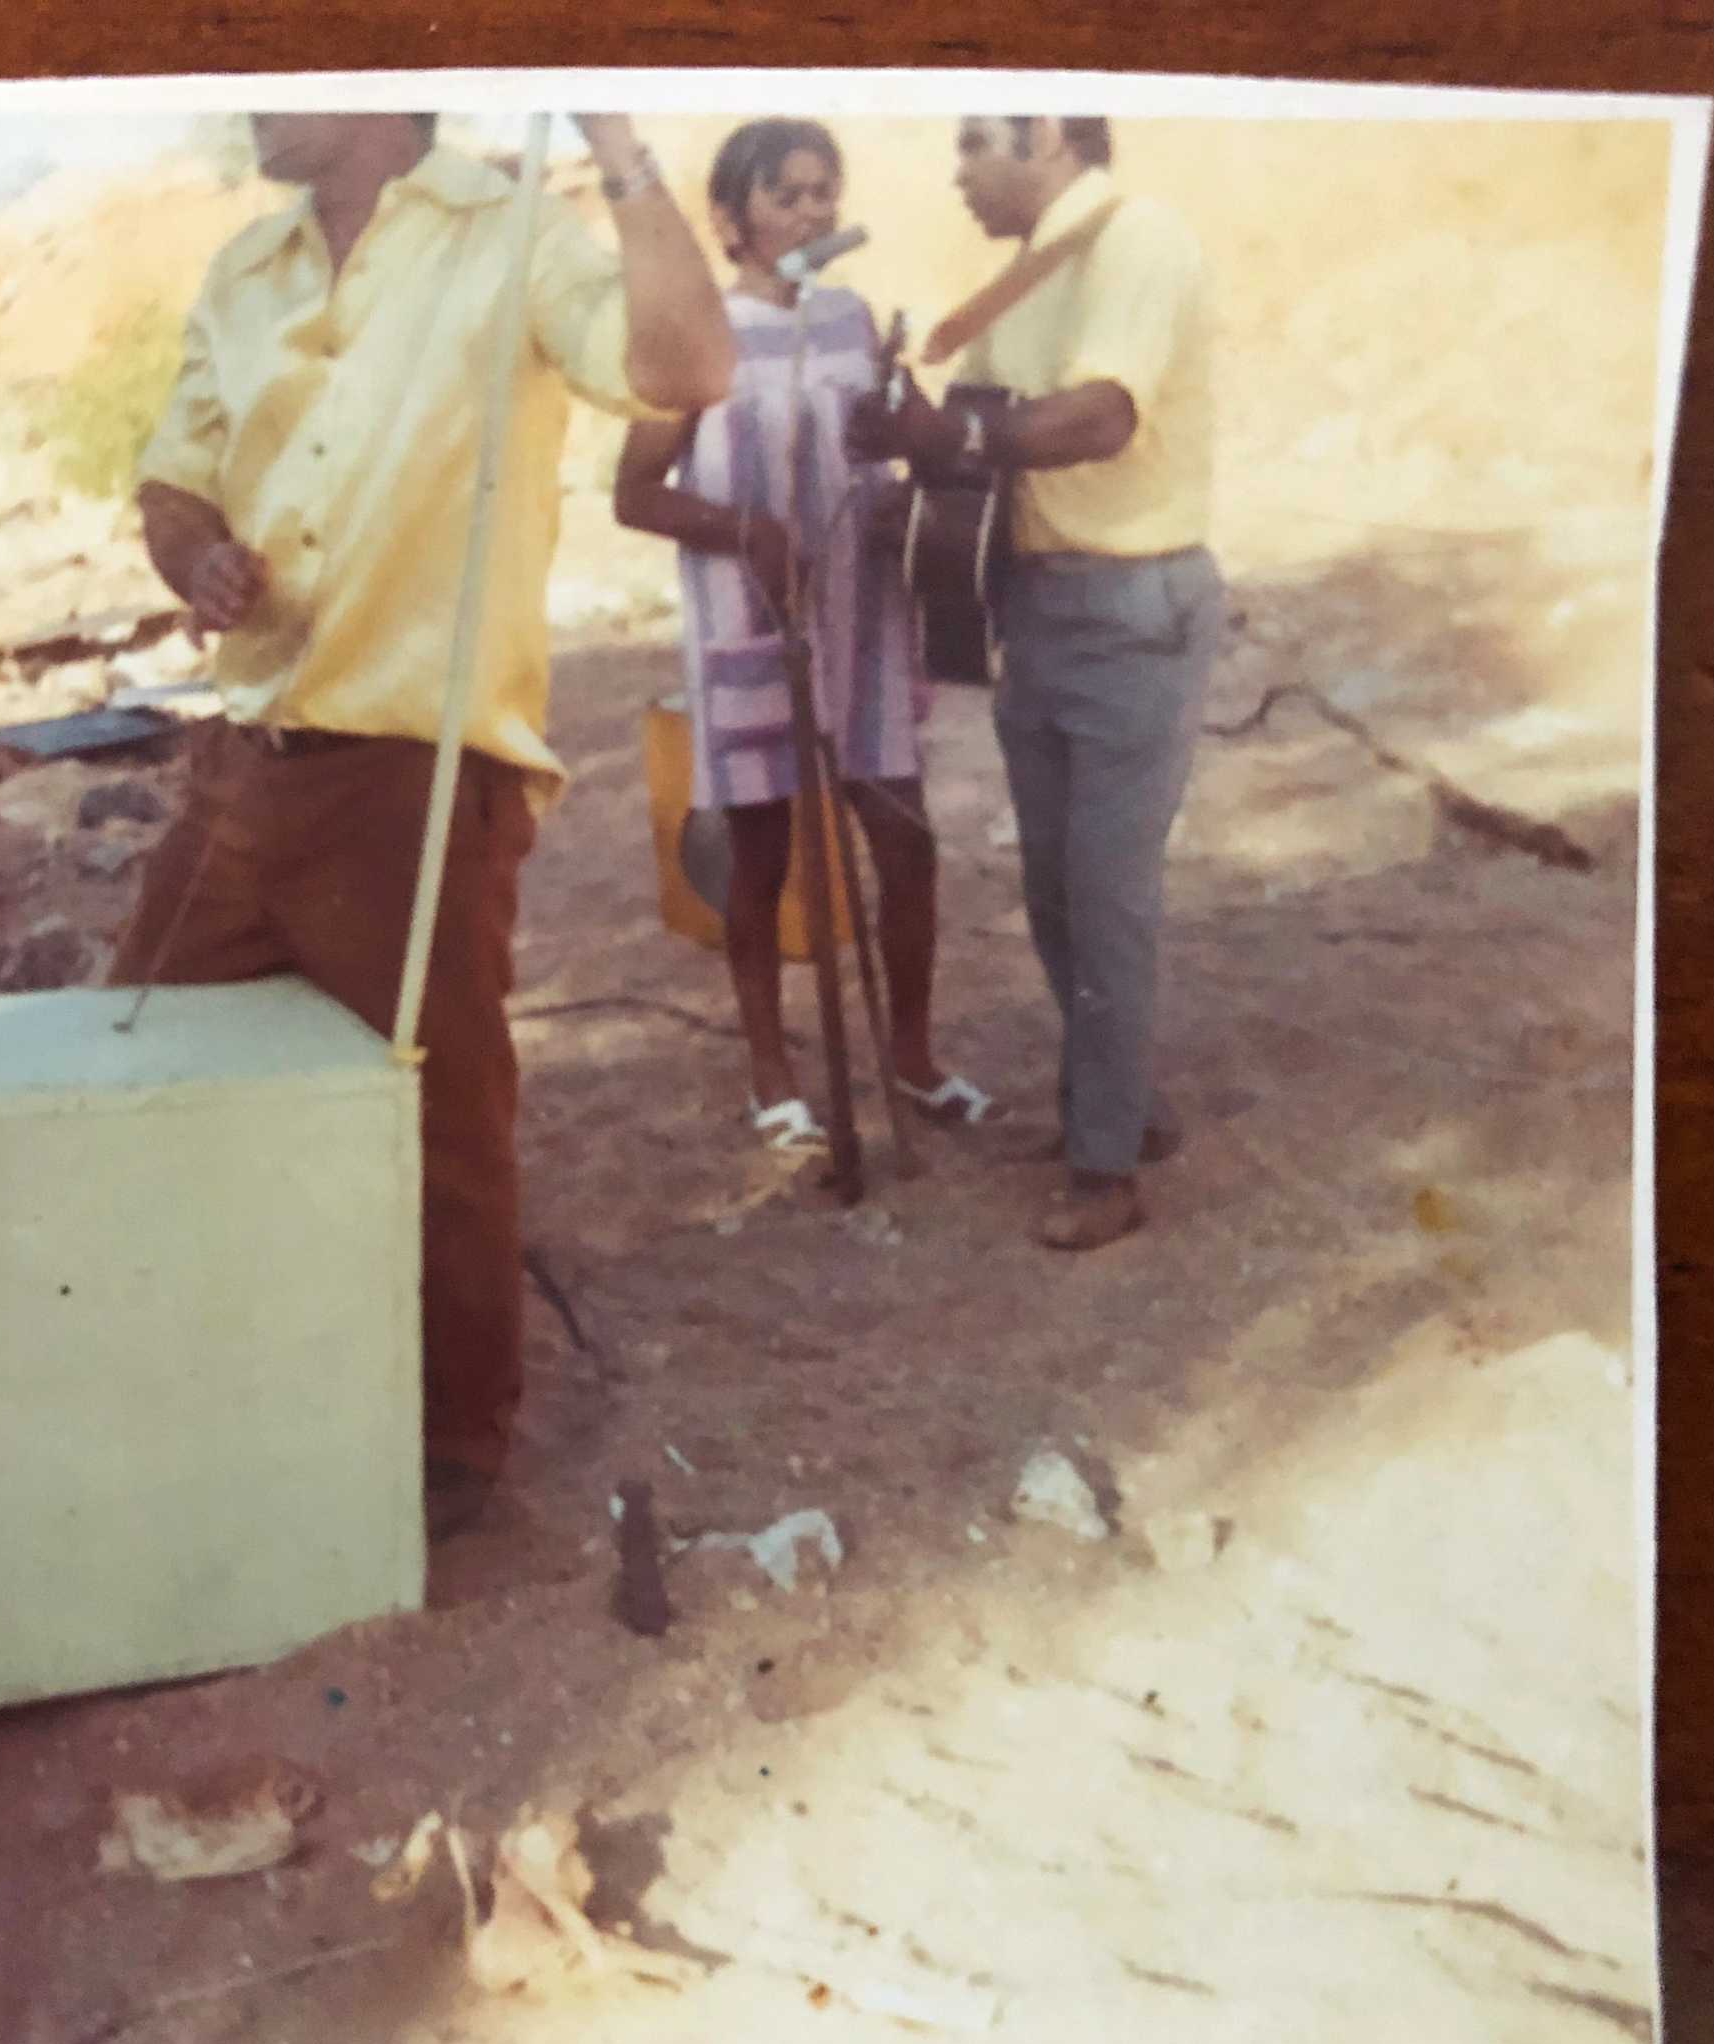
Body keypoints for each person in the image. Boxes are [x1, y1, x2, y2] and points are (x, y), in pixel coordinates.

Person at [111, 111, 736, 1533]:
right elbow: (173, 474)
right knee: (132, 1073)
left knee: (438, 1117)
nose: (253, 95)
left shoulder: (515, 233)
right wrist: (194, 556)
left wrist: (616, 142)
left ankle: (456, 1446)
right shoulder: (245, 267)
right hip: (244, 756)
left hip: (420, 770)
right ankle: (213, 1392)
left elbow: (690, 369)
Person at [850, 115, 1222, 1252]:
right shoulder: (1023, 280)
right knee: (1059, 893)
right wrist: (903, 432)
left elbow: (1101, 417)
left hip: (1130, 608)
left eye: (976, 144)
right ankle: (1122, 1110)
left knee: (1104, 896)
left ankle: (1106, 1168)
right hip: (1041, 608)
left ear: (1053, 133)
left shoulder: (1137, 241)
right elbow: (967, 428)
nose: (955, 171)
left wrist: (947, 442)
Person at [612, 118, 994, 1155]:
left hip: (861, 621)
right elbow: (634, 494)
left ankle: (911, 1059)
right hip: (753, 621)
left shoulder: (853, 320)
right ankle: (772, 1071)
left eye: (826, 191)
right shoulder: (700, 333)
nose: (816, 211)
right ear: (730, 221)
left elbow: (917, 443)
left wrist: (899, 445)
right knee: (762, 854)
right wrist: (748, 530)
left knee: (905, 845)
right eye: (789, 194)